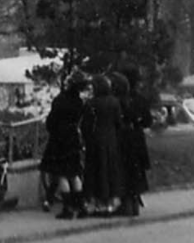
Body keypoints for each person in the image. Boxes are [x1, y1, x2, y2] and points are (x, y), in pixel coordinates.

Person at [40, 68, 86, 219]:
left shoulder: (60, 100)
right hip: (73, 138)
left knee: (61, 175)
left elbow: (51, 121)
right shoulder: (79, 102)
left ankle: (67, 208)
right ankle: (80, 206)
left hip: (59, 140)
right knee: (74, 174)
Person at [80, 73, 127, 216]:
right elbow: (118, 122)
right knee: (110, 171)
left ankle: (94, 202)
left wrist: (86, 138)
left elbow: (86, 125)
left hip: (95, 141)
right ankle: (111, 202)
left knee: (94, 172)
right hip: (110, 140)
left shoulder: (91, 103)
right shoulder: (114, 102)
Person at [116, 69, 151, 216]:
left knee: (124, 170)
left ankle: (126, 203)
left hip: (123, 138)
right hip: (137, 137)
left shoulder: (119, 100)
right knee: (136, 170)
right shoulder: (140, 99)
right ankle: (134, 200)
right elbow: (148, 121)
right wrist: (139, 122)